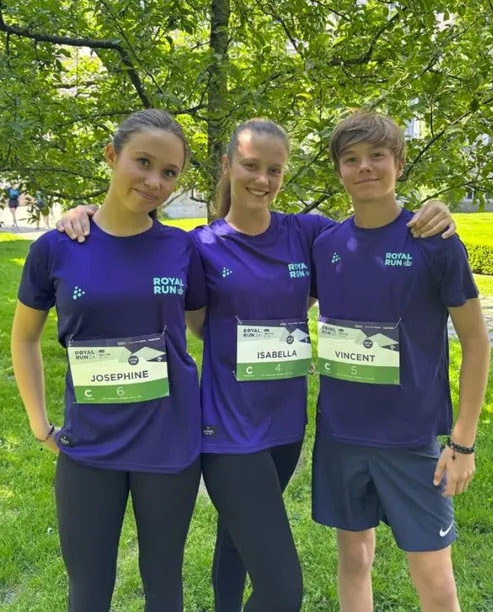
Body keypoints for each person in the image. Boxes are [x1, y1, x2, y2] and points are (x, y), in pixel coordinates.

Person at [56, 117, 457, 612]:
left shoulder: (307, 233)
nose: (261, 179)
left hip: (285, 427)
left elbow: (371, 232)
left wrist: (431, 212)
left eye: (274, 169)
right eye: (250, 165)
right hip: (226, 429)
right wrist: (84, 214)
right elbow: (184, 304)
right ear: (227, 166)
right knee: (281, 587)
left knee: (237, 544)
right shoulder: (199, 245)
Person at [10, 109, 205, 612]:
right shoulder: (57, 247)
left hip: (169, 443)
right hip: (89, 447)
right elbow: (25, 340)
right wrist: (40, 426)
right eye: (142, 162)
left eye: (169, 172)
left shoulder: (182, 249)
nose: (154, 182)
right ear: (112, 156)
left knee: (164, 585)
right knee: (89, 589)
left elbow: (209, 325)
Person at [310, 111, 490, 612]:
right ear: (338, 170)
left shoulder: (434, 242)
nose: (364, 167)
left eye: (377, 156)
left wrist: (464, 442)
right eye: (351, 159)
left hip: (412, 442)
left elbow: (477, 342)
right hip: (341, 436)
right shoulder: (325, 246)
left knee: (435, 581)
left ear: (400, 164)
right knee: (353, 560)